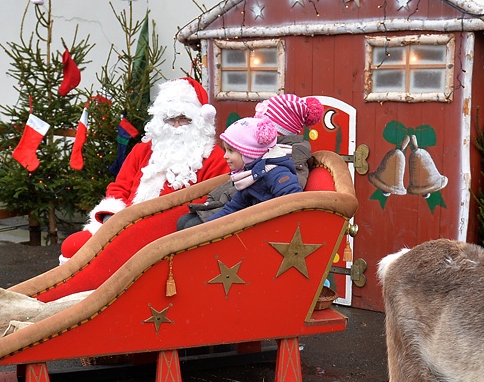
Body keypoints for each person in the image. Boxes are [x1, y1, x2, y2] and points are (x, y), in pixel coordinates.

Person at [59, 77, 230, 264]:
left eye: (184, 120)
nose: (176, 126)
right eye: (170, 119)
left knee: (90, 255)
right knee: (73, 246)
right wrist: (112, 217)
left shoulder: (214, 158)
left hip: (168, 235)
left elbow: (209, 207)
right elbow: (119, 187)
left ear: (198, 121)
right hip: (125, 224)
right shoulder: (143, 150)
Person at [188, 93, 323, 225]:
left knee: (189, 224)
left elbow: (290, 200)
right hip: (243, 211)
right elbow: (238, 199)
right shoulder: (257, 166)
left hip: (256, 223)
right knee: (186, 223)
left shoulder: (276, 165)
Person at [176, 116, 302, 230]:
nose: (225, 156)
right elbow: (233, 206)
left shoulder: (275, 173)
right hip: (252, 225)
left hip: (265, 230)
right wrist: (205, 229)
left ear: (250, 153)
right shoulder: (249, 176)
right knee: (185, 224)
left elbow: (293, 203)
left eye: (231, 151)